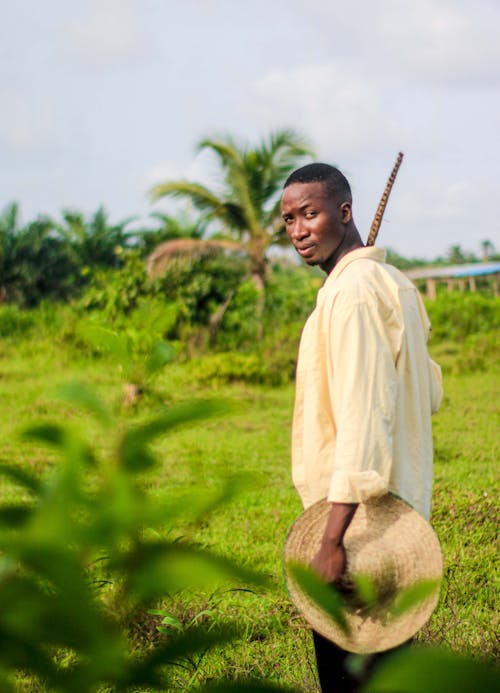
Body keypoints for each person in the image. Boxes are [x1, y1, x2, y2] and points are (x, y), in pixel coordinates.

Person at [281, 163, 443, 692]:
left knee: (354, 679)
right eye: (288, 220)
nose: (299, 230)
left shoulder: (352, 294)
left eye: (310, 213)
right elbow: (431, 391)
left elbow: (363, 417)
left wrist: (331, 542)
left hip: (358, 528)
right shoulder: (394, 284)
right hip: (398, 519)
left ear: (344, 213)